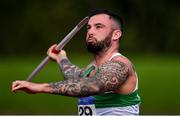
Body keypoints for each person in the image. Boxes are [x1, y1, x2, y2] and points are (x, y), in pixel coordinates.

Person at [12, 9, 141, 115]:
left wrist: (40, 87)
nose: (90, 31)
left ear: (116, 34)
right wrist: (61, 58)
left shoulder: (121, 64)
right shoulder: (92, 68)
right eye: (89, 28)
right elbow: (75, 80)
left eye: (98, 27)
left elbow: (94, 86)